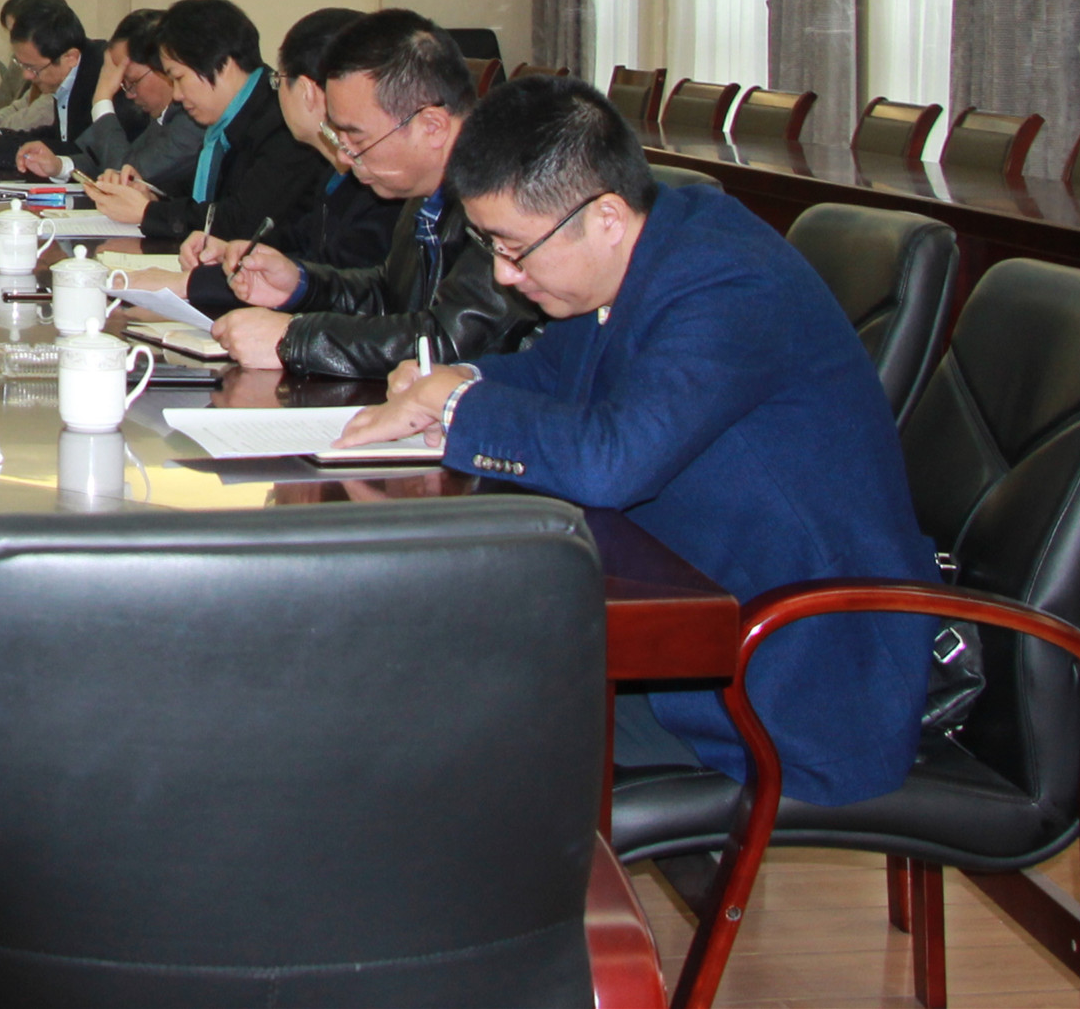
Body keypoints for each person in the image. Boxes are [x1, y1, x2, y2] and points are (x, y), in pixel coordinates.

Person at [335, 76, 937, 806]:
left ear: (607, 218)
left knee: (443, 717)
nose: (503, 274)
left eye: (516, 249)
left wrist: (458, 406)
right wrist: (454, 378)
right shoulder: (650, 245)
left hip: (792, 677)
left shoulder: (726, 283)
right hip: (698, 617)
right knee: (428, 674)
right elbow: (554, 373)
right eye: (491, 245)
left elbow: (610, 463)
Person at [201, 9, 542, 375]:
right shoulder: (424, 185)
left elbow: (450, 342)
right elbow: (389, 293)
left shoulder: (509, 195)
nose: (344, 157)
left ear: (431, 127)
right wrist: (300, 284)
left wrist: (295, 339)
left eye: (357, 140)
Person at [148, 6, 399, 312]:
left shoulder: (378, 184)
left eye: (278, 81)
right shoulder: (334, 175)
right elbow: (301, 246)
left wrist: (192, 284)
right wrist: (238, 254)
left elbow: (351, 288)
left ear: (306, 91)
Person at [87, 0, 323, 248]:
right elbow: (208, 206)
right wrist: (151, 198)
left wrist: (148, 212)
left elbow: (242, 223)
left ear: (223, 64)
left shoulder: (282, 122)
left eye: (179, 78)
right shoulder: (227, 124)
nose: (177, 95)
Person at [47, 9, 205, 187]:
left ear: (163, 68)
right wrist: (59, 166)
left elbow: (127, 178)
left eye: (132, 81)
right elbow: (114, 162)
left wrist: (102, 100)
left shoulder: (191, 123)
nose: (129, 94)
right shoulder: (164, 118)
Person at [0, 1, 100, 179]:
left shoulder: (98, 79)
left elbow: (87, 154)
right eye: (22, 65)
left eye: (33, 68)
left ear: (70, 58)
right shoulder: (68, 77)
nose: (27, 76)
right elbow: (54, 137)